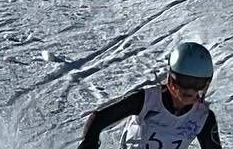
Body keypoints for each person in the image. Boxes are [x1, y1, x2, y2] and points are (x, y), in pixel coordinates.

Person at [79, 40, 222, 149]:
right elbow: (99, 118)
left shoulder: (202, 117)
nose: (190, 90)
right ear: (172, 79)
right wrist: (89, 142)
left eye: (197, 84)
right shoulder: (148, 100)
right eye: (185, 81)